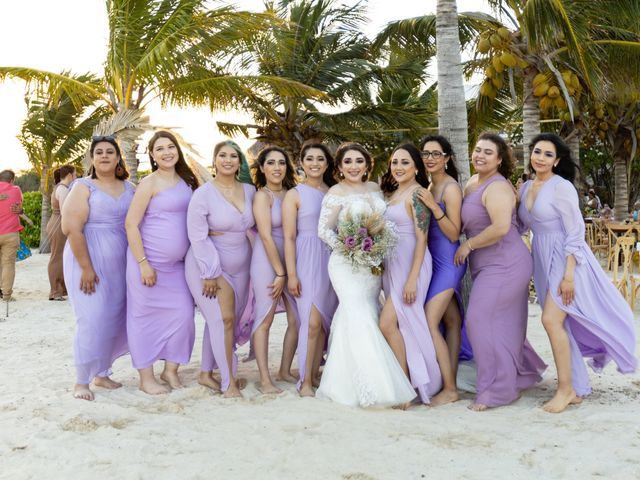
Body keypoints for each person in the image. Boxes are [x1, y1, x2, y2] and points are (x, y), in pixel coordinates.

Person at [518, 133, 637, 413]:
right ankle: (577, 385)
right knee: (561, 324)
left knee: (550, 320)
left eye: (548, 154)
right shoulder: (524, 188)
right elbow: (522, 226)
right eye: (537, 152)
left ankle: (566, 389)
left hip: (566, 258)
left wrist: (569, 275)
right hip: (542, 256)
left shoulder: (562, 188)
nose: (541, 158)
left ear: (557, 161)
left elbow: (575, 231)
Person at [316, 142, 416, 408]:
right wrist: (350, 247)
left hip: (372, 264)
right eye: (347, 162)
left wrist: (373, 248)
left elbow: (383, 223)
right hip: (346, 264)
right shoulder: (335, 193)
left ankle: (356, 378)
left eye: (358, 161)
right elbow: (324, 231)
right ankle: (373, 386)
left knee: (370, 312)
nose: (353, 166)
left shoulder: (375, 190)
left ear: (367, 165)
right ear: (338, 167)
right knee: (357, 312)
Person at [454, 132, 546, 411]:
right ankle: (517, 375)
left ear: (499, 159)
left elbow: (501, 227)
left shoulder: (497, 187)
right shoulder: (472, 183)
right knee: (502, 324)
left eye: (487, 152)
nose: (479, 155)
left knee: (478, 319)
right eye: (477, 149)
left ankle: (496, 391)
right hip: (486, 265)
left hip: (506, 263)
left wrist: (468, 245)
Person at [125, 131, 199, 394]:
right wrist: (143, 263)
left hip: (177, 267)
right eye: (160, 149)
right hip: (147, 264)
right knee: (143, 319)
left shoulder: (188, 181)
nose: (167, 152)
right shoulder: (148, 183)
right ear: (153, 155)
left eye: (171, 147)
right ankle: (146, 378)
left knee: (183, 316)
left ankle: (170, 371)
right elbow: (131, 224)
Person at [62, 135, 134, 401]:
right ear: (92, 159)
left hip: (120, 262)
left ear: (117, 158)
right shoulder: (83, 187)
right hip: (87, 258)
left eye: (109, 152)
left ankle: (102, 373)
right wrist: (86, 268)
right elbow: (71, 228)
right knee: (91, 319)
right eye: (99, 152)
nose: (104, 156)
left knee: (113, 317)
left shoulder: (129, 188)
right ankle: (81, 381)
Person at [184, 140, 255, 398]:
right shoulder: (203, 194)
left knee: (224, 321)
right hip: (210, 263)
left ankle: (206, 372)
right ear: (214, 160)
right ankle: (229, 383)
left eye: (233, 156)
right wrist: (210, 272)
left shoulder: (250, 190)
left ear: (239, 162)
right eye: (222, 155)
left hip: (242, 264)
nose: (228, 160)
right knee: (223, 320)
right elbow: (197, 236)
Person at [379, 143, 442, 404]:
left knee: (389, 323)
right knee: (402, 325)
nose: (398, 167)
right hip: (394, 264)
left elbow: (422, 239)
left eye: (405, 162)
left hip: (412, 265)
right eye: (395, 162)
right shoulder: (394, 194)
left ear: (416, 166)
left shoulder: (417, 195)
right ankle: (407, 383)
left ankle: (407, 385)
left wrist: (412, 279)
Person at [416, 135, 472, 406]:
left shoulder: (450, 188)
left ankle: (450, 389)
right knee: (450, 321)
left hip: (449, 262)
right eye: (426, 153)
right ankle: (448, 379)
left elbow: (453, 233)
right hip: (432, 260)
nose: (430, 158)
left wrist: (431, 207)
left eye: (436, 154)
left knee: (429, 319)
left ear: (447, 158)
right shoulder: (428, 185)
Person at [282, 142, 338, 397]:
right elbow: (289, 237)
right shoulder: (295, 194)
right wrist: (291, 274)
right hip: (306, 258)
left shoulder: (335, 191)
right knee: (311, 322)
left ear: (327, 164)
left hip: (333, 259)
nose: (315, 163)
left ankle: (315, 374)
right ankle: (304, 381)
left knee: (324, 323)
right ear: (301, 163)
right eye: (310, 159)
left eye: (320, 159)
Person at [250, 146, 299, 393]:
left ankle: (284, 370)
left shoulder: (292, 193)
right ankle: (265, 379)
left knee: (297, 318)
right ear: (262, 168)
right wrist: (281, 273)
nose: (277, 168)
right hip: (267, 261)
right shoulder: (263, 196)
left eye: (281, 163)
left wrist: (291, 270)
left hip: (290, 260)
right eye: (271, 163)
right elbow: (266, 236)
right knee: (265, 318)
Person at [46, 164, 76, 300]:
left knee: (62, 256)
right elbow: (65, 211)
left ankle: (62, 289)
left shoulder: (61, 188)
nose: (75, 177)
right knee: (57, 256)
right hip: (59, 223)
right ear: (69, 175)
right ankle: (55, 291)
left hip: (56, 222)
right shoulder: (62, 189)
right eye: (74, 174)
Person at [0, 170, 24, 302]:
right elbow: (20, 205)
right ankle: (7, 295)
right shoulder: (16, 190)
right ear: (12, 180)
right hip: (10, 233)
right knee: (8, 264)